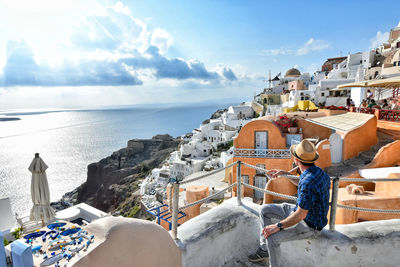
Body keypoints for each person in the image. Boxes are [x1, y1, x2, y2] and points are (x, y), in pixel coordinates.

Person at [248, 139, 330, 266]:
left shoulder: (308, 182)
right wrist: (285, 174)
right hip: (303, 213)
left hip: (310, 226)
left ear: (296, 160)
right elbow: (303, 183)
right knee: (264, 210)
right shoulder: (317, 172)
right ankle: (264, 250)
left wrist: (277, 226)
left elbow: (300, 215)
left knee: (272, 238)